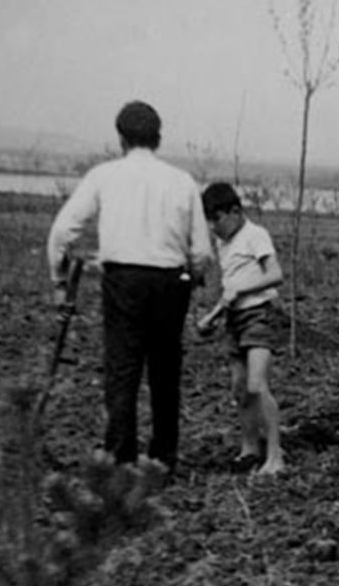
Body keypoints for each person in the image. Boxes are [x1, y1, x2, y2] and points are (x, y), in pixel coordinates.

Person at [47, 100, 212, 473]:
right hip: (171, 282)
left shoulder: (104, 176)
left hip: (123, 282)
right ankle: (162, 459)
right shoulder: (181, 181)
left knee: (122, 369)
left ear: (120, 138)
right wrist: (196, 273)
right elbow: (201, 250)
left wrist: (59, 280)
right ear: (158, 137)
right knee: (165, 371)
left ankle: (120, 459)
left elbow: (62, 231)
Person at [197, 182, 286, 476]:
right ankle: (250, 449)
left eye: (217, 220)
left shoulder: (255, 235)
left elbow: (275, 274)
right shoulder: (224, 244)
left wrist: (241, 290)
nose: (214, 229)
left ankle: (275, 456)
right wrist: (212, 317)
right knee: (239, 388)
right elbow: (230, 290)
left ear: (234, 212)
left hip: (259, 315)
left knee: (257, 385)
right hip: (235, 319)